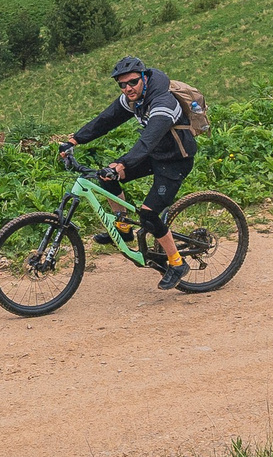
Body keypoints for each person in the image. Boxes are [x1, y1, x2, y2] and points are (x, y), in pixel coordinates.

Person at [61, 54, 195, 290]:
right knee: (106, 177)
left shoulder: (164, 102)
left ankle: (177, 263)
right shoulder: (133, 99)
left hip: (175, 160)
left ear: (144, 77)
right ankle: (123, 230)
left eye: (132, 82)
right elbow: (106, 120)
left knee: (149, 214)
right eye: (122, 85)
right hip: (154, 156)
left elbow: (148, 140)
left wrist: (122, 163)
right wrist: (75, 140)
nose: (127, 88)